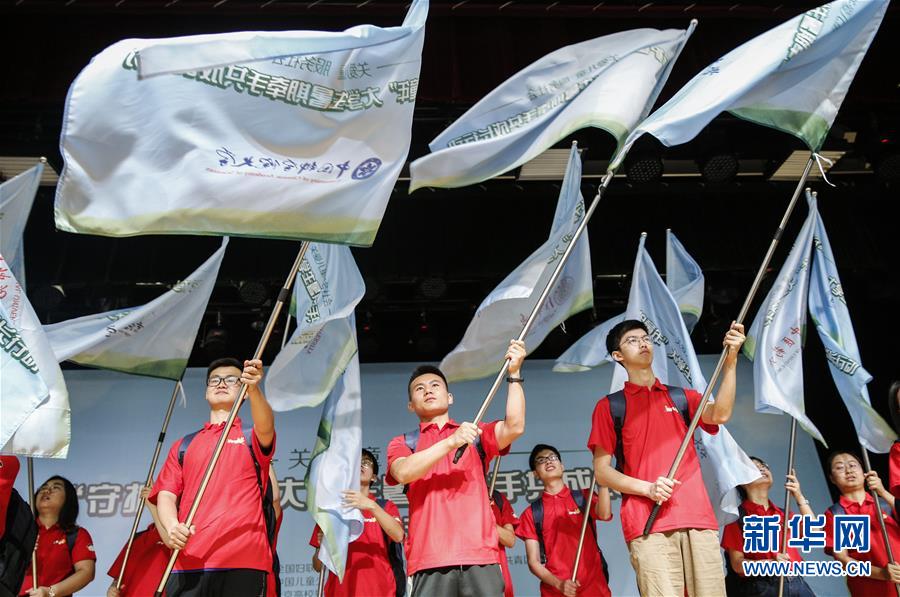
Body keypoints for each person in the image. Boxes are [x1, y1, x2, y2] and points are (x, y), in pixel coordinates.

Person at [589, 319, 745, 596]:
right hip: (648, 523)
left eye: (645, 337)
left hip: (697, 516)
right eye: (632, 340)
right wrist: (647, 488)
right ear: (618, 356)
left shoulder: (682, 397)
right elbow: (602, 472)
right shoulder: (611, 406)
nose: (643, 343)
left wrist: (731, 360)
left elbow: (720, 414)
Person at [387, 340, 526, 596]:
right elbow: (403, 472)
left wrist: (514, 374)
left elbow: (514, 426)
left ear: (449, 397)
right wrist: (451, 442)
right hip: (429, 559)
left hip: (480, 556)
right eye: (419, 388)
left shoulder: (475, 434)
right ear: (411, 405)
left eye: (435, 385)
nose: (428, 390)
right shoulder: (404, 442)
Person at [149, 357, 275, 597]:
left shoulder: (251, 435)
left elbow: (267, 425)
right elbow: (166, 494)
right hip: (188, 559)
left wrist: (256, 388)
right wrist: (172, 525)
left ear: (244, 391)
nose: (221, 383)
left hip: (243, 557)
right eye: (214, 380)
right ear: (206, 392)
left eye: (231, 380)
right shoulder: (184, 444)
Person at [516, 444, 611, 597]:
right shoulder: (532, 513)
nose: (548, 461)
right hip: (555, 591)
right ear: (535, 474)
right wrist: (559, 584)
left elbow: (605, 515)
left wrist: (604, 482)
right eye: (541, 460)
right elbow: (533, 562)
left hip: (595, 587)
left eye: (553, 457)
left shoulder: (583, 497)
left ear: (562, 466)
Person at [310, 449, 404, 597]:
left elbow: (398, 535)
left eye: (366, 462)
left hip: (379, 591)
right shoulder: (331, 511)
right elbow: (317, 566)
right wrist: (323, 546)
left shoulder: (385, 506)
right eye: (356, 462)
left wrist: (371, 506)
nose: (361, 465)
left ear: (373, 477)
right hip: (339, 592)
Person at [720, 457, 815, 596]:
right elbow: (738, 565)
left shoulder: (783, 513)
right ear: (742, 481)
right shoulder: (737, 518)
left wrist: (799, 496)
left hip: (798, 584)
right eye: (754, 467)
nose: (762, 468)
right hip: (765, 587)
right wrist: (770, 563)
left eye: (764, 465)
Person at [824, 451, 900, 596]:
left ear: (865, 473)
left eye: (853, 465)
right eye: (840, 467)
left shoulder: (885, 504)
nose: (849, 470)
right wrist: (882, 574)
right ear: (832, 478)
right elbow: (843, 560)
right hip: (870, 591)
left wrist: (882, 492)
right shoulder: (836, 514)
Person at [19, 476, 96, 597]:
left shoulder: (76, 534)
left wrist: (50, 592)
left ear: (67, 498)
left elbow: (86, 572)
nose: (46, 491)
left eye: (55, 488)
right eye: (43, 488)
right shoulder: (20, 531)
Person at [106, 488, 170, 597]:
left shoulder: (178, 537)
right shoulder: (137, 538)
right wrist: (112, 589)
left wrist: (154, 506)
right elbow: (118, 579)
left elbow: (169, 539)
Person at [488, 476, 518, 597]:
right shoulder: (452, 495)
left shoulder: (496, 497)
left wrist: (482, 515)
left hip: (497, 578)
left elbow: (510, 540)